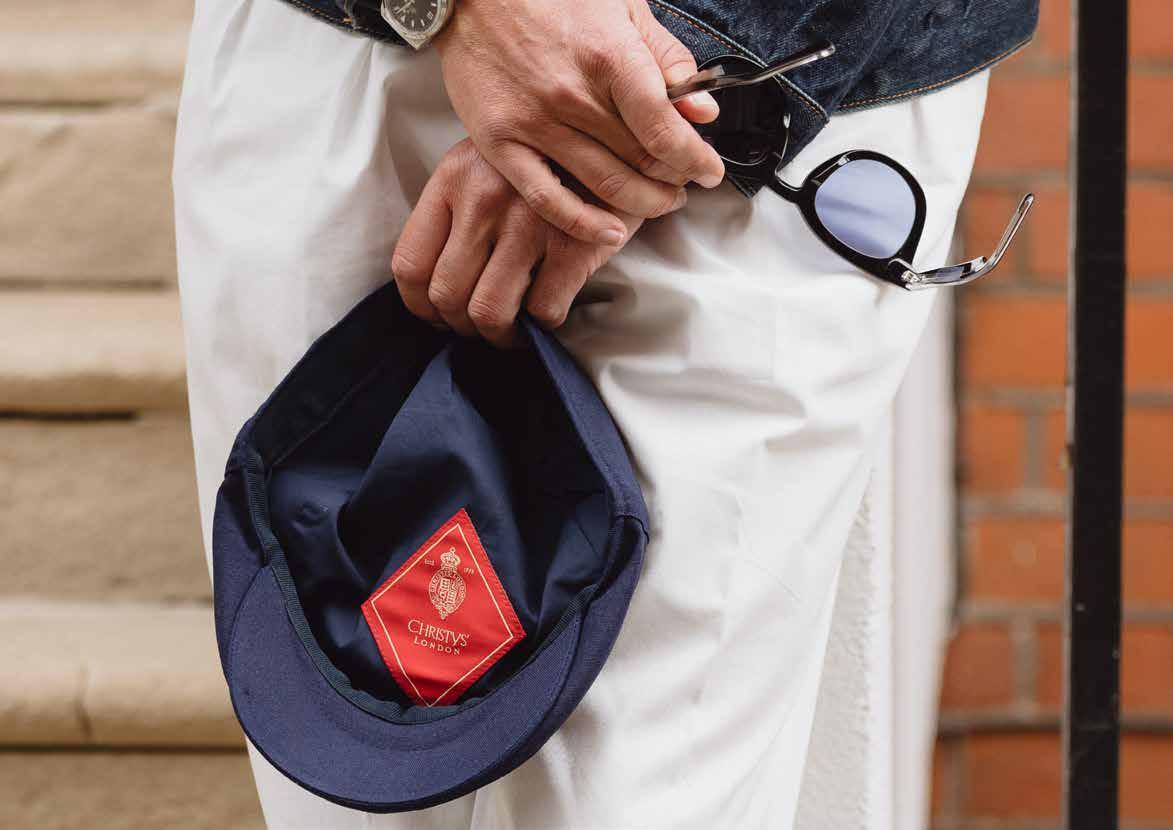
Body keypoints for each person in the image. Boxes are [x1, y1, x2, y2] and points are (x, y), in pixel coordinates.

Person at [173, 0, 1039, 826]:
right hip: (327, 60)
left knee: (632, 793)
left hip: (766, 115)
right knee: (341, 767)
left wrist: (634, 96)